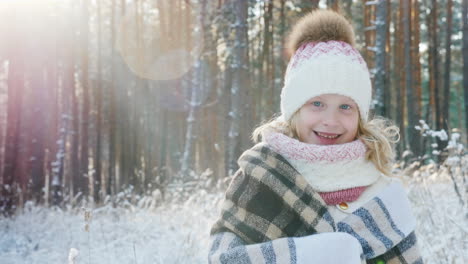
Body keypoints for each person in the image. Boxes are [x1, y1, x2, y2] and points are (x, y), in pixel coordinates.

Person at [208, 9, 422, 264]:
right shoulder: (261, 175)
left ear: (360, 116)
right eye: (317, 104)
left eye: (345, 107)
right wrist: (312, 255)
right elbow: (224, 258)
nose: (330, 121)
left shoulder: (381, 190)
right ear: (294, 109)